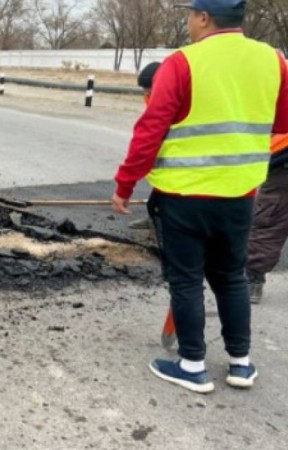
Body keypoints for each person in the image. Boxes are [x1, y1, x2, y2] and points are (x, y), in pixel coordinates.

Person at [111, 0, 288, 393]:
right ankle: (241, 364)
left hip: (185, 195)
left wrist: (125, 185)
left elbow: (150, 131)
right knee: (231, 277)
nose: (189, 21)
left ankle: (192, 365)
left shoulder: (182, 62)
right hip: (241, 193)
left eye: (191, 14)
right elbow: (282, 120)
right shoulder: (274, 60)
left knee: (187, 279)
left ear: (204, 18)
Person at [246, 133, 288, 303]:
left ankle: (253, 280)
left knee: (270, 223)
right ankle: (252, 279)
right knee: (270, 221)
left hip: (282, 158)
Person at [127, 61, 161, 231]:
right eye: (144, 89)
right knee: (159, 189)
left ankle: (159, 223)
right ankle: (152, 219)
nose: (146, 92)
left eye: (149, 88)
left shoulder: (172, 93)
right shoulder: (150, 97)